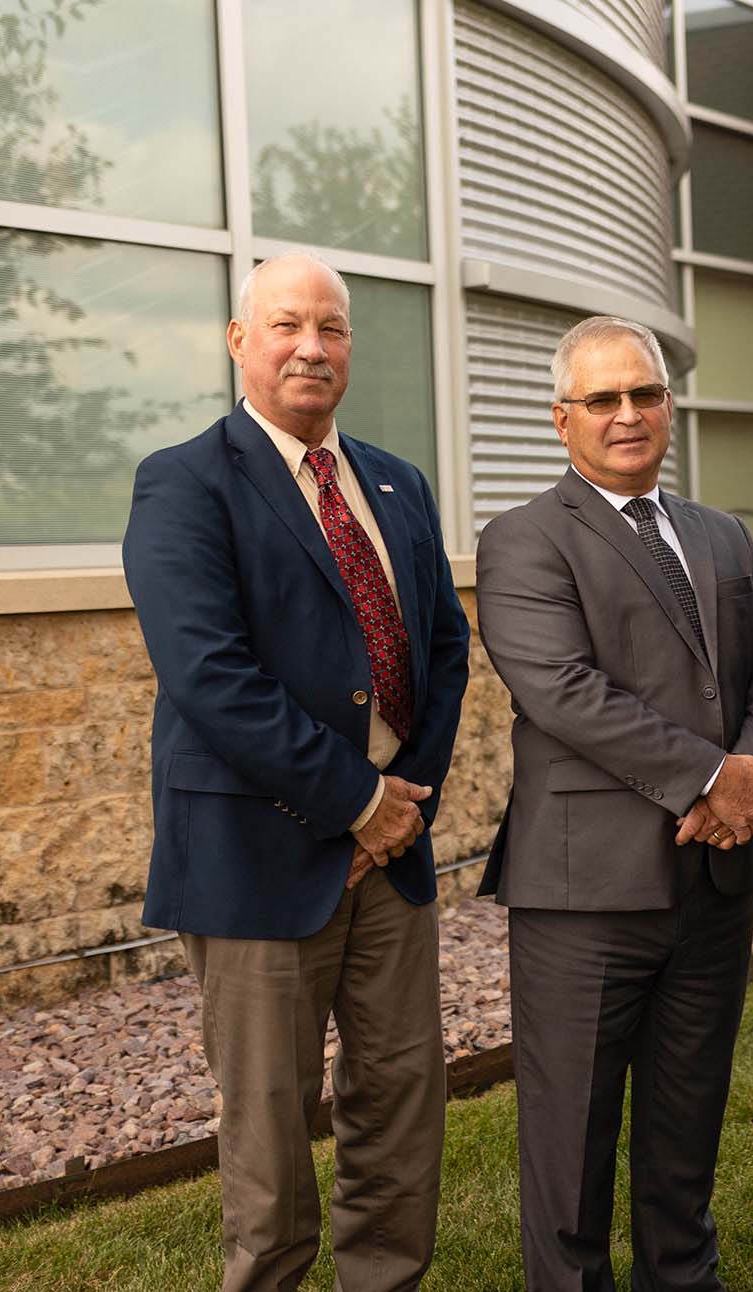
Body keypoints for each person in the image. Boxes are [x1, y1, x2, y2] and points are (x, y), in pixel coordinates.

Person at [121, 250, 471, 1292]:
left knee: (402, 1112)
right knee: (271, 1148)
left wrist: (401, 805)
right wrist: (357, 798)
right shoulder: (184, 481)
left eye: (332, 327)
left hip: (390, 862)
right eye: (286, 324)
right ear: (240, 341)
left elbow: (444, 649)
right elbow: (208, 675)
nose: (311, 345)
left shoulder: (397, 481)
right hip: (255, 859)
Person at [474, 315, 753, 1292]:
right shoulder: (524, 539)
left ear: (668, 405)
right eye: (603, 399)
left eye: (645, 394)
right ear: (561, 418)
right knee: (571, 1160)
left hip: (711, 882)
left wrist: (751, 768)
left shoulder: (720, 532)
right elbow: (565, 690)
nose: (628, 415)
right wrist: (715, 777)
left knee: (683, 1142)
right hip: (586, 894)